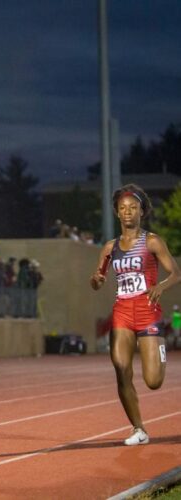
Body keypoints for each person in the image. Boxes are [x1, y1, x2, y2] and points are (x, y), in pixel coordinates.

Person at [90, 184, 181, 446]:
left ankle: (159, 354)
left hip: (148, 311)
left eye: (133, 208)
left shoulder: (152, 241)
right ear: (117, 213)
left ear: (142, 211)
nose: (128, 212)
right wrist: (95, 279)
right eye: (123, 208)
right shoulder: (109, 248)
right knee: (121, 369)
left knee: (153, 381)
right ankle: (138, 429)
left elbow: (176, 273)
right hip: (122, 312)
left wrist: (160, 286)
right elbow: (98, 281)